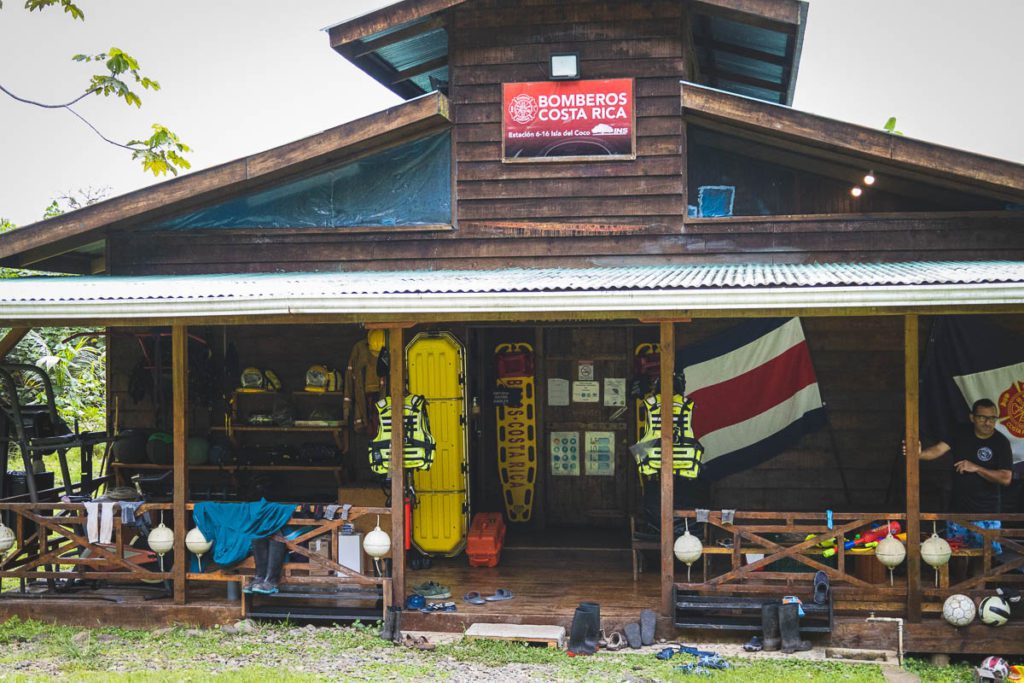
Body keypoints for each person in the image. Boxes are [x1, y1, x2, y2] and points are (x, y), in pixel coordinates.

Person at [919, 398, 1012, 552]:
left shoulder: (1001, 443)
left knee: (983, 558)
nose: (987, 423)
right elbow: (937, 450)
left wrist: (976, 468)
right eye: (982, 417)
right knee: (957, 555)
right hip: (958, 508)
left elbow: (1006, 478)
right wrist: (919, 454)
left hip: (986, 512)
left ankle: (979, 578)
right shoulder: (960, 432)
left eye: (992, 418)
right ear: (972, 418)